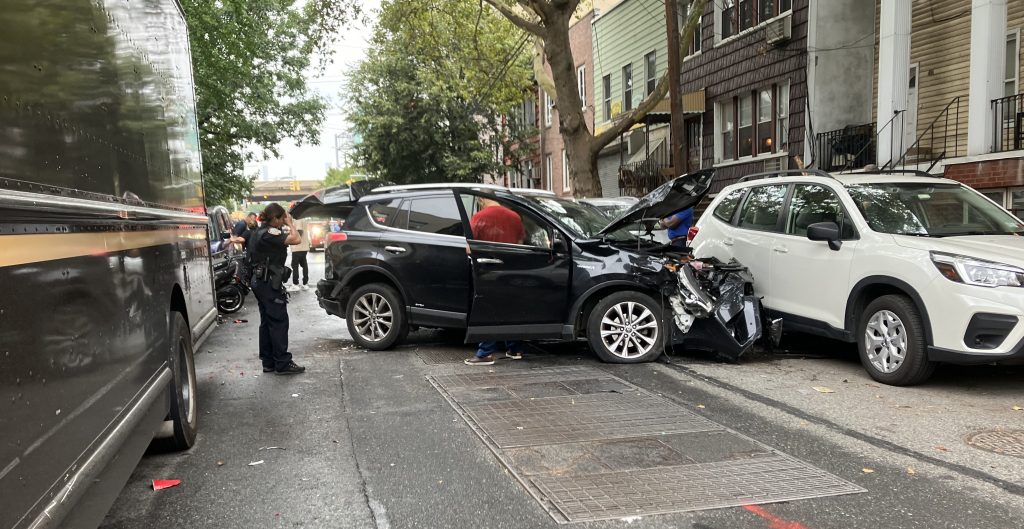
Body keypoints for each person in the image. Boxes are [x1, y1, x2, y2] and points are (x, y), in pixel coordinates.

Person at [464, 196, 527, 367]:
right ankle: (515, 349)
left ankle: (486, 353)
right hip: (511, 270)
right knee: (511, 309)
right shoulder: (515, 217)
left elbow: (469, 249)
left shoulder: (478, 218)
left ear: (482, 199)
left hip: (488, 271)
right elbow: (521, 243)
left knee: (488, 310)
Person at [249, 204, 306, 375]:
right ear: (274, 218)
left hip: (260, 281)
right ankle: (282, 362)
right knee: (279, 321)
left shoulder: (259, 231)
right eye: (281, 218)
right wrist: (290, 224)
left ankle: (269, 362)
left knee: (267, 322)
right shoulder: (269, 233)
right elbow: (296, 239)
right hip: (268, 282)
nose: (283, 222)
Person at [289, 217, 310, 291]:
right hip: (304, 246)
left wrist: (290, 239)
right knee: (304, 265)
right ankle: (305, 283)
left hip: (297, 247)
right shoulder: (303, 219)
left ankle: (295, 284)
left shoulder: (297, 219)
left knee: (295, 266)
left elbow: (299, 231)